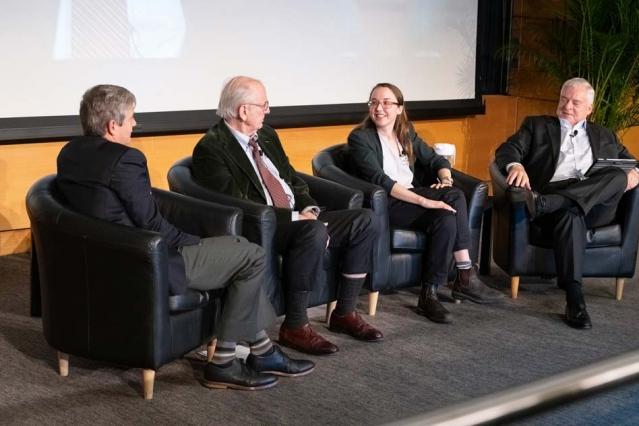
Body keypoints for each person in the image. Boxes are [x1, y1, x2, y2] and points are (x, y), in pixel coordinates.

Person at [56, 84, 314, 391]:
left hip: (107, 257)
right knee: (251, 255)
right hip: (145, 262)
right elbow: (150, 222)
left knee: (240, 251)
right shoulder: (125, 159)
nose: (135, 124)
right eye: (132, 118)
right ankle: (223, 363)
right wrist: (193, 240)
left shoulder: (70, 153)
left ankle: (264, 351)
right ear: (113, 126)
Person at [192, 76, 383, 355]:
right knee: (313, 231)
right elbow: (237, 208)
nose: (267, 110)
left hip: (296, 217)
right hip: (264, 228)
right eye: (263, 105)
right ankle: (295, 326)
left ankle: (344, 313)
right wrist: (296, 220)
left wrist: (308, 208)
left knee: (365, 220)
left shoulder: (266, 135)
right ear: (243, 110)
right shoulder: (212, 148)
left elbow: (291, 179)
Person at [348, 82, 503, 324]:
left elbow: (435, 159)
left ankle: (428, 294)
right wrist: (425, 201)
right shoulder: (360, 138)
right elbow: (381, 181)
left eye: (387, 103)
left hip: (410, 197)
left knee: (447, 218)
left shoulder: (405, 132)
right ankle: (465, 274)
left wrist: (445, 179)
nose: (379, 108)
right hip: (386, 203)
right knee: (453, 197)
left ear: (399, 108)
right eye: (374, 102)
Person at [495, 77, 639, 329]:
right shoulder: (537, 126)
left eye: (575, 102)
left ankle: (547, 204)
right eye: (563, 99)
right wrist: (516, 164)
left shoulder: (606, 135)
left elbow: (632, 163)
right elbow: (506, 150)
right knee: (571, 215)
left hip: (596, 206)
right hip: (557, 194)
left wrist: (634, 175)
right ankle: (575, 299)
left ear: (589, 109)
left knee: (618, 175)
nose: (567, 106)